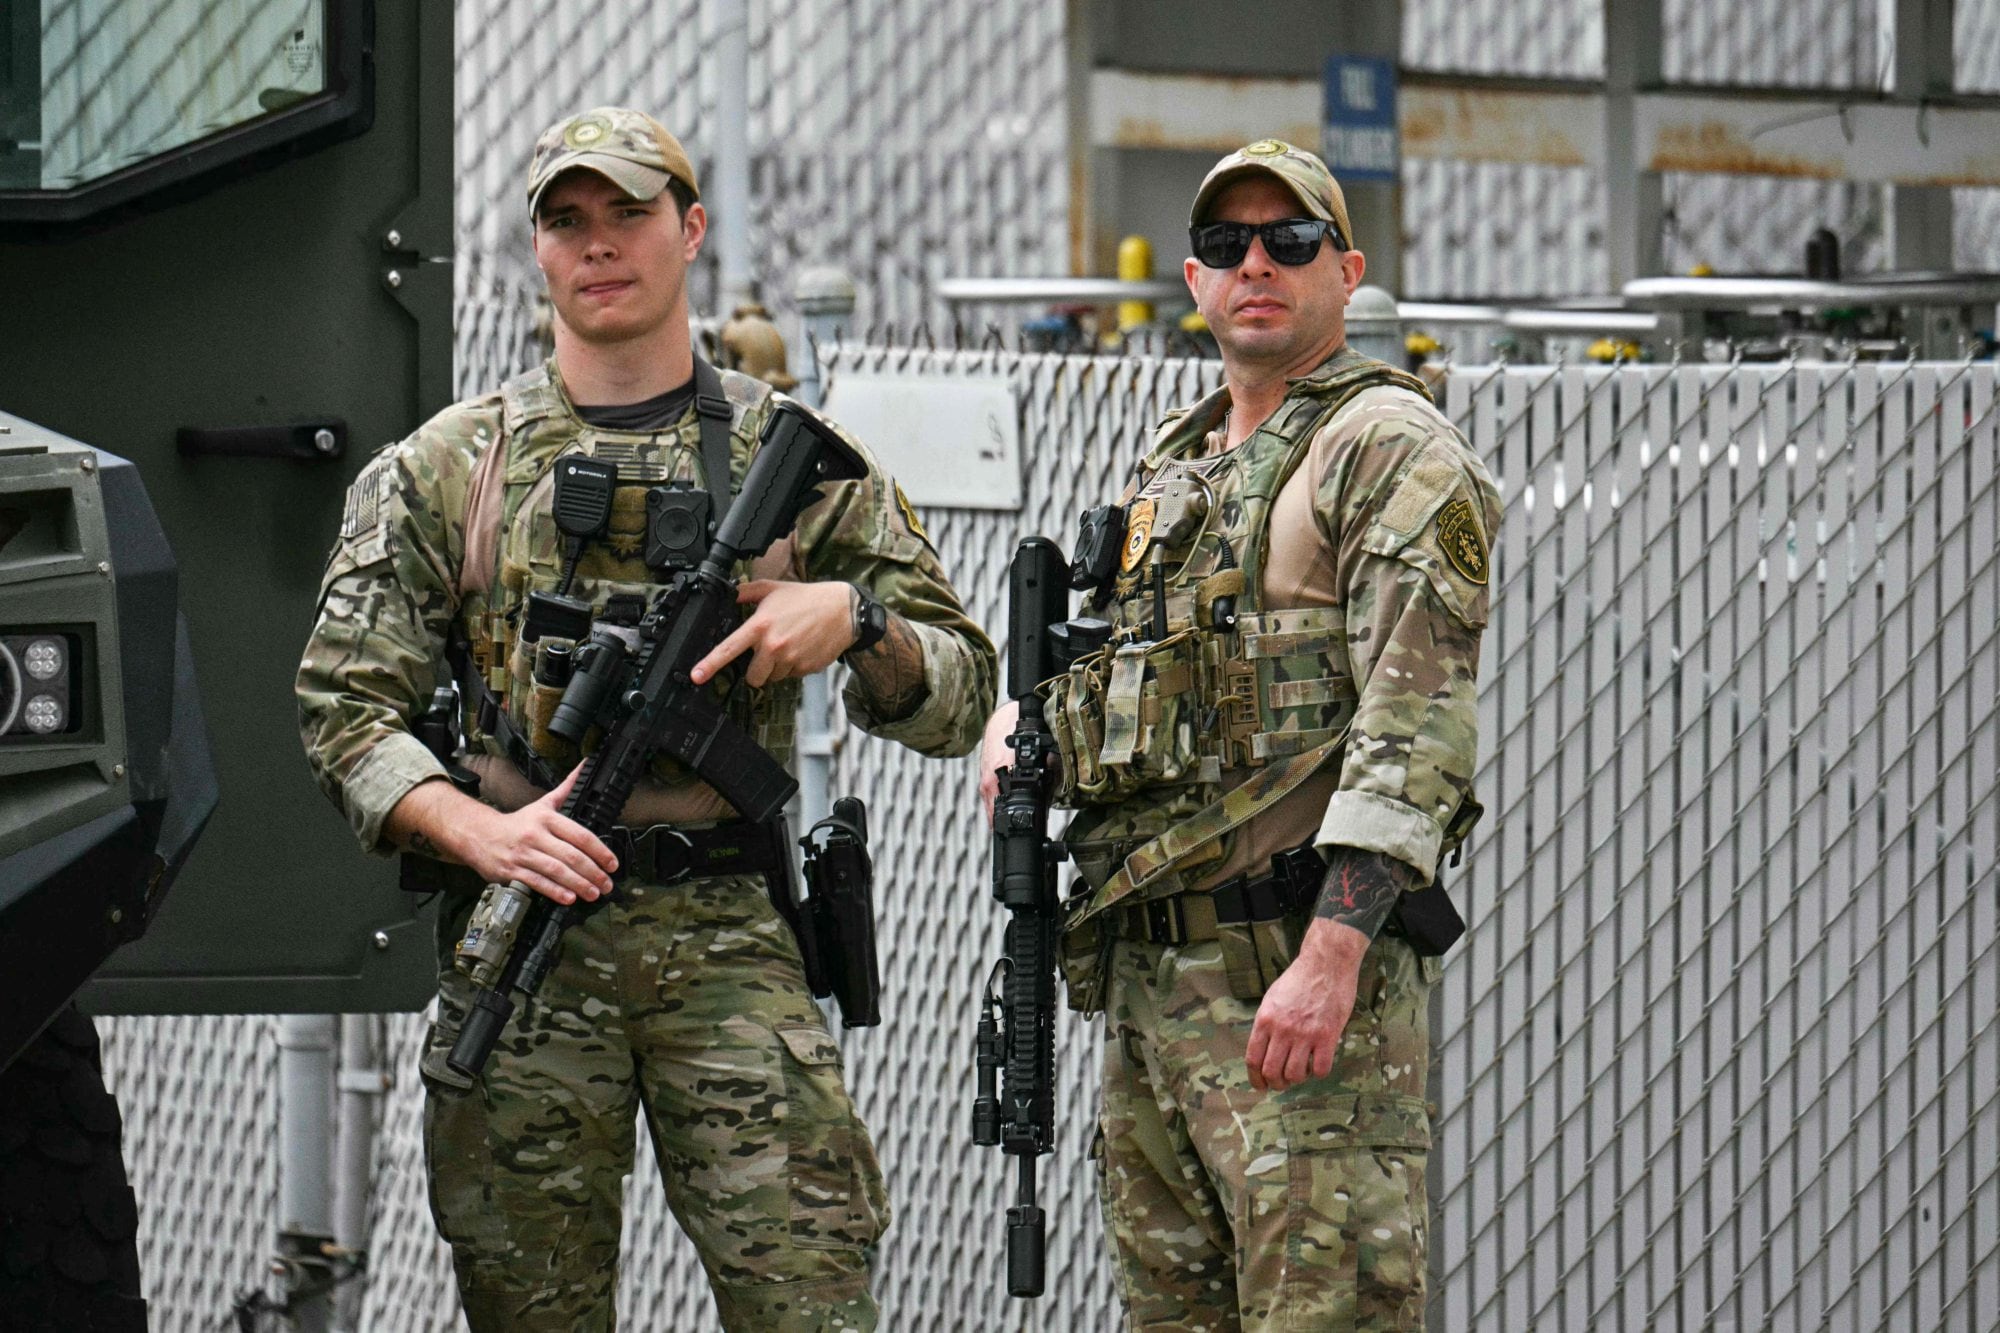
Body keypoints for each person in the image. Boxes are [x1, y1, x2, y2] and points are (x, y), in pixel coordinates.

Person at [298, 106, 996, 1331]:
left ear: (691, 228)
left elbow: (963, 692)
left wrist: (852, 623)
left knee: (810, 1296)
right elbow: (343, 710)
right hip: (525, 936)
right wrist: (477, 833)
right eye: (567, 223)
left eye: (628, 215)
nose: (598, 246)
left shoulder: (794, 460)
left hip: (730, 939)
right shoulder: (449, 467)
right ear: (537, 251)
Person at [980, 139, 1499, 1330]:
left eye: (1289, 240)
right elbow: (1149, 687)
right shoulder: (1181, 462)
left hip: (1295, 985)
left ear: (1345, 268)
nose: (1255, 263)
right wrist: (1026, 724)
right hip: (1158, 986)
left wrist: (1330, 960)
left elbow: (1412, 723)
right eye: (1226, 245)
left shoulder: (1385, 447)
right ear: (1193, 278)